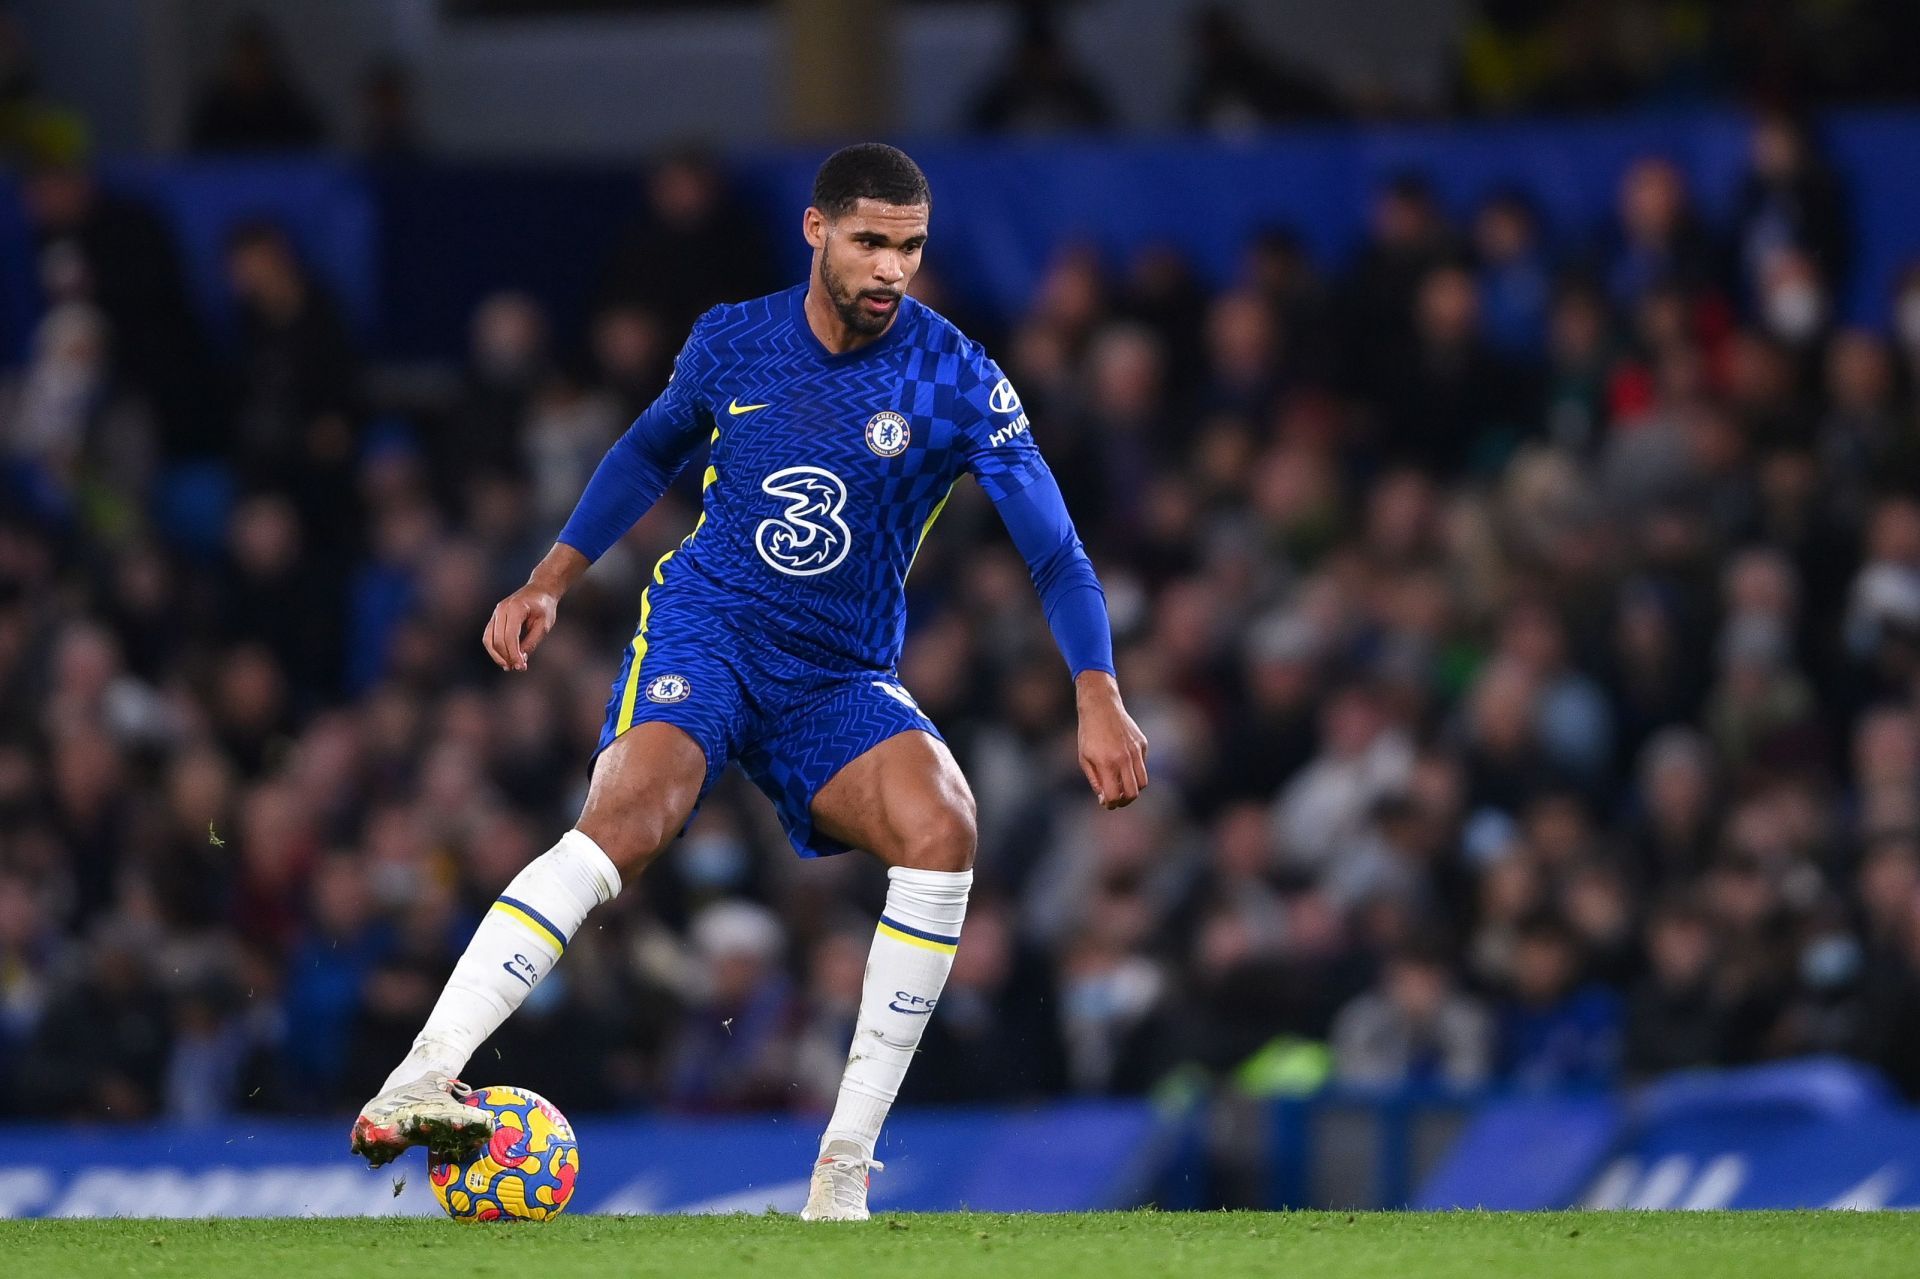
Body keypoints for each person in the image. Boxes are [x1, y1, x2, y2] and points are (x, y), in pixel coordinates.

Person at [347, 144, 1149, 1222]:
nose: (891, 269)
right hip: (709, 631)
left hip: (837, 675)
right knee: (630, 817)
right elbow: (645, 452)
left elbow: (1055, 552)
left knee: (944, 823)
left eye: (911, 247)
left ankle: (841, 1168)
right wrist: (550, 578)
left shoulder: (958, 379)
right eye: (870, 241)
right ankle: (426, 1072)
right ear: (816, 231)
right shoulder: (734, 337)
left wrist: (1097, 688)